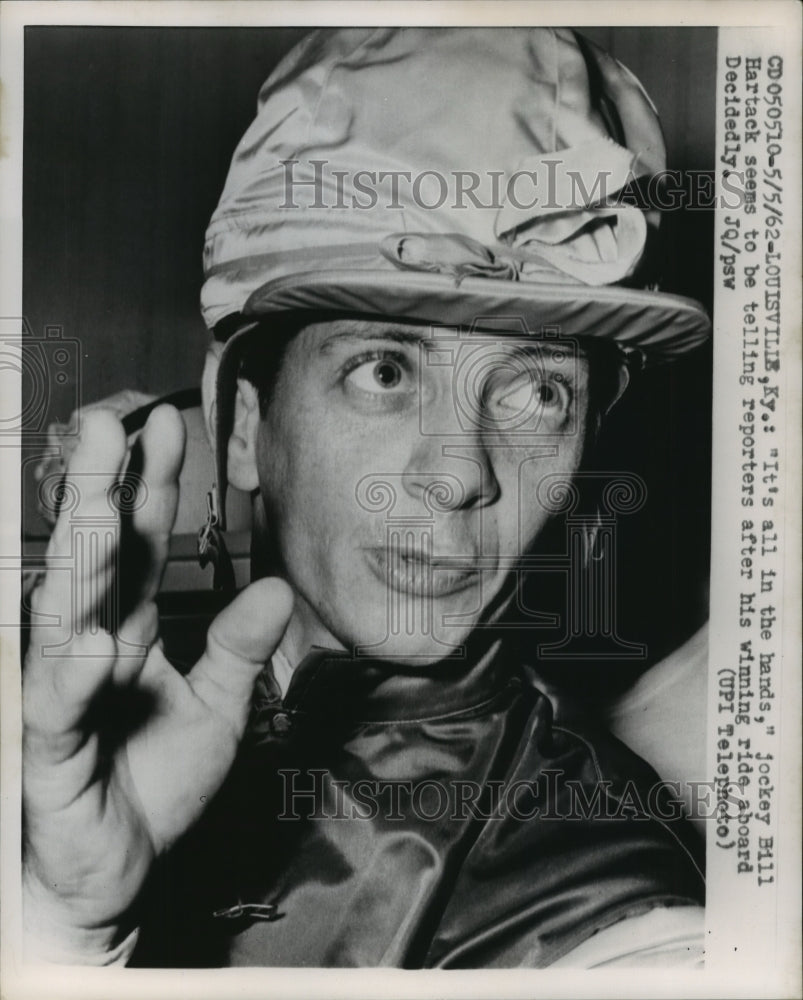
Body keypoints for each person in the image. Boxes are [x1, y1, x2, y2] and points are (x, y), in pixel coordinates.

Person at [22, 27, 710, 968]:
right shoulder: (60, 726)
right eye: (383, 370)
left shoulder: (621, 917)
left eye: (538, 392)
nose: (461, 471)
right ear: (241, 427)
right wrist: (59, 924)